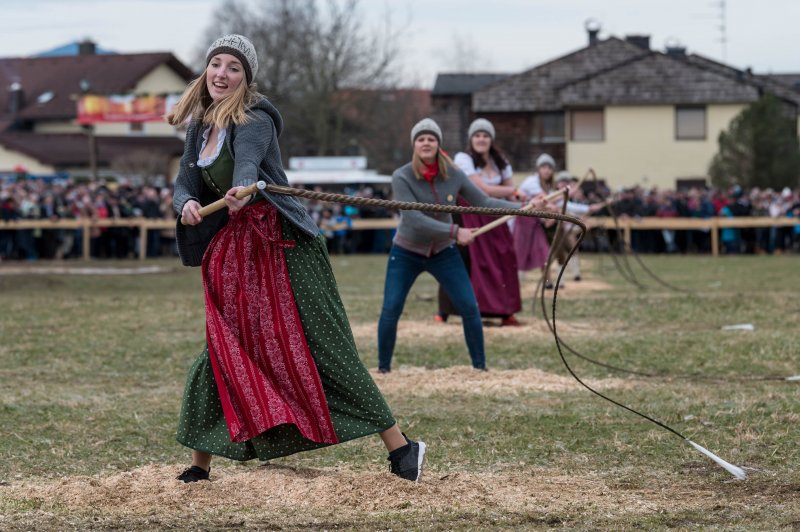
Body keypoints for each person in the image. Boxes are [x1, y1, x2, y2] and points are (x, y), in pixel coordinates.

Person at [169, 34, 425, 484]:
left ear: (245, 78)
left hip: (281, 245)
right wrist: (186, 203)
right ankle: (199, 463)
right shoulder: (199, 128)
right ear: (206, 70)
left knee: (323, 344)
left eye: (233, 67)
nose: (222, 74)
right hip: (234, 253)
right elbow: (183, 182)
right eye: (217, 64)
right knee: (224, 345)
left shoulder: (254, 118)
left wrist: (243, 188)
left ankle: (402, 448)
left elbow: (248, 162)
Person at [378, 118, 536, 373]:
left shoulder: (454, 174)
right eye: (421, 139)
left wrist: (524, 209)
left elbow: (483, 201)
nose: (426, 143)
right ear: (414, 145)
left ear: (438, 145)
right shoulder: (401, 176)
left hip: (442, 252)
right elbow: (414, 219)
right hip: (406, 251)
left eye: (431, 139)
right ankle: (383, 369)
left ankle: (480, 369)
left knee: (469, 307)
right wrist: (455, 231)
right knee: (391, 307)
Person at [436, 118, 525, 326]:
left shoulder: (500, 161)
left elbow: (511, 195)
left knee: (504, 257)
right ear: (471, 138)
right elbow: (481, 190)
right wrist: (513, 191)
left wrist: (529, 203)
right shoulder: (463, 158)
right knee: (464, 259)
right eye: (477, 135)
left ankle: (505, 311)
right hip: (469, 213)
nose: (481, 139)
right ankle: (445, 310)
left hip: (495, 215)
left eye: (485, 135)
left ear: (491, 139)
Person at [514, 154, 557, 287]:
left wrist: (550, 216)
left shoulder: (549, 187)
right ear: (538, 169)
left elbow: (552, 203)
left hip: (535, 223)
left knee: (543, 251)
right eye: (544, 167)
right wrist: (553, 212)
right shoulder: (531, 181)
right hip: (523, 221)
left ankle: (548, 282)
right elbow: (545, 201)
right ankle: (514, 284)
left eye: (549, 167)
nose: (546, 170)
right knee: (518, 253)